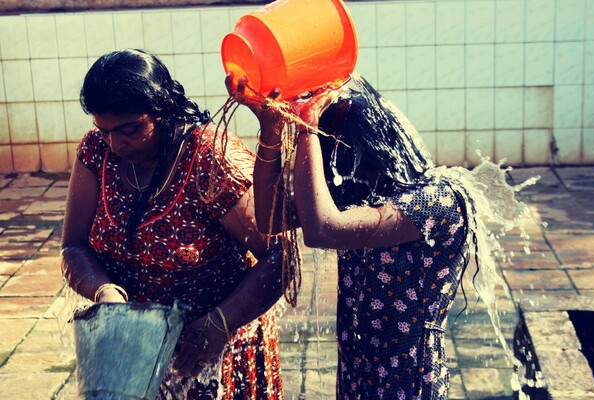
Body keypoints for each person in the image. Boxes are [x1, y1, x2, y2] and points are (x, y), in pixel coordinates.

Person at [229, 73, 471, 399]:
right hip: (357, 368)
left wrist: (307, 128)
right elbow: (270, 217)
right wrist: (271, 130)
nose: (339, 174)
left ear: (381, 149)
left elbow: (322, 230)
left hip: (409, 378)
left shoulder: (434, 200)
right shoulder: (359, 194)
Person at [61, 48, 285, 400]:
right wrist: (104, 292)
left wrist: (218, 323)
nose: (115, 144)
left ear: (161, 110)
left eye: (130, 130)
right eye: (103, 130)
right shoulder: (96, 151)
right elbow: (73, 246)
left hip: (209, 348)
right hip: (134, 346)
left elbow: (279, 258)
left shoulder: (209, 157)